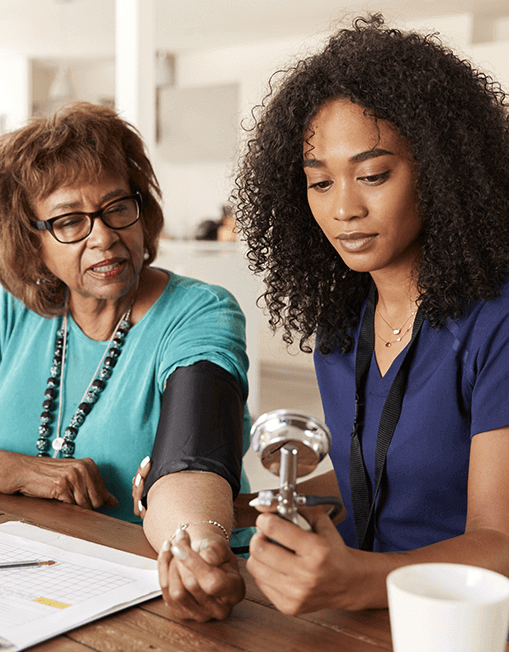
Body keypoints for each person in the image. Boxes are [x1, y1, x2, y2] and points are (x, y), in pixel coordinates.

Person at [0, 102, 249, 622]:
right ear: (31, 242)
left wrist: (193, 548)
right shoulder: (11, 310)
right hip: (21, 581)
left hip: (147, 593)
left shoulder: (200, 313)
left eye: (118, 208)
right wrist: (22, 472)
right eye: (69, 222)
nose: (103, 236)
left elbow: (192, 462)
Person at [233, 14, 509, 614]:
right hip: (361, 625)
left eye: (373, 175)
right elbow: (380, 481)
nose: (345, 209)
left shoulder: (497, 325)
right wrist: (247, 505)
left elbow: (502, 545)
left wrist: (361, 579)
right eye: (319, 184)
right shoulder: (342, 326)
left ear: (442, 170)